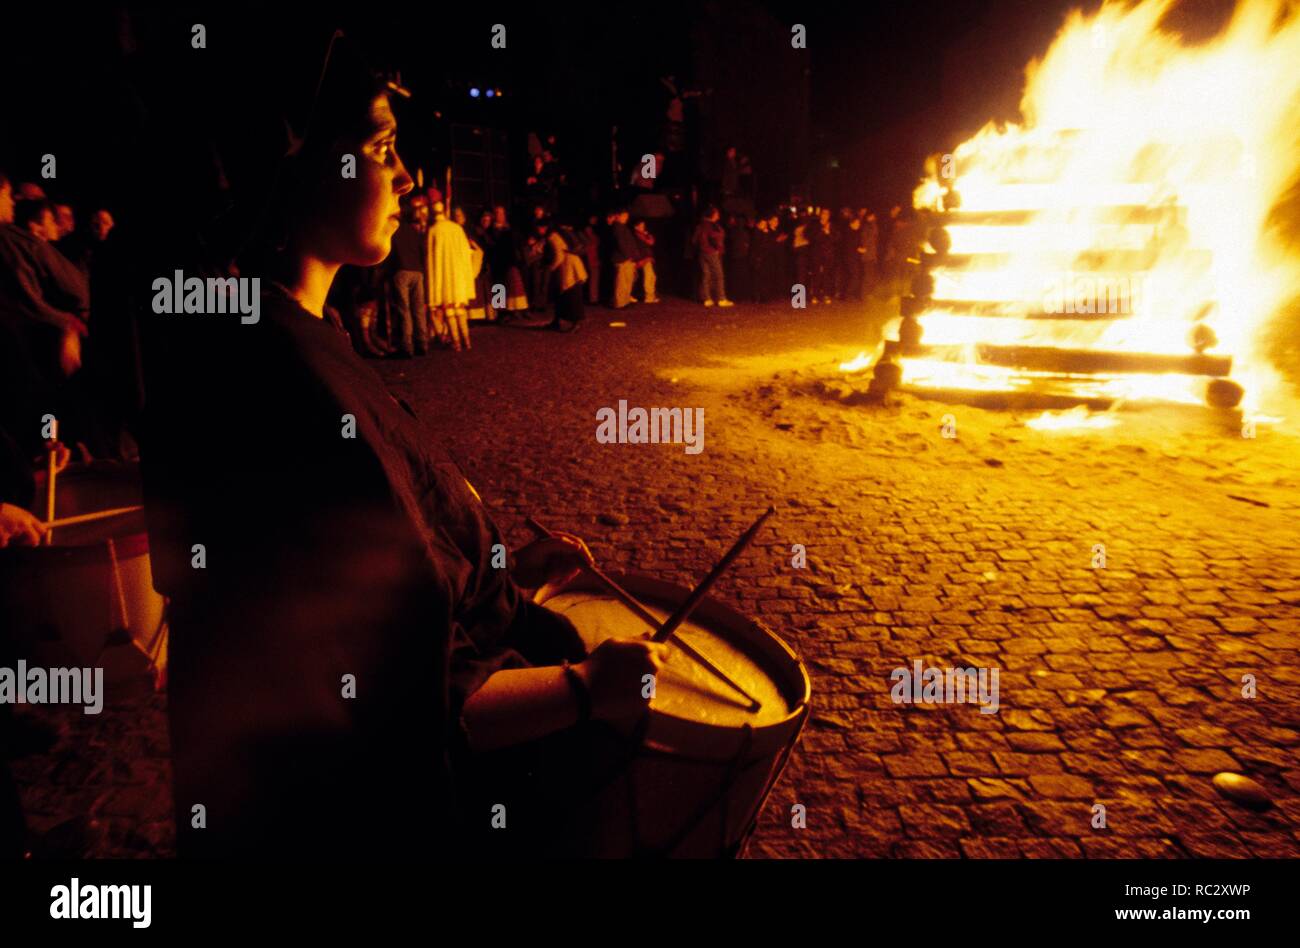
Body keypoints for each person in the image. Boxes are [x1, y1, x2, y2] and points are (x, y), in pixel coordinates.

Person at [139, 40, 666, 859]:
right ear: (302, 165)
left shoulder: (285, 332)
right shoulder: (276, 374)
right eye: (382, 150)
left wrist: (492, 574)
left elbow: (371, 572)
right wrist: (586, 689)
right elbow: (394, 706)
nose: (408, 178)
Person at [425, 200, 474, 351]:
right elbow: (467, 252)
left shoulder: (433, 230)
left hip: (443, 277)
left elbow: (430, 258)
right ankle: (467, 341)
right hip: (458, 275)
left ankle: (457, 343)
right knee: (460, 310)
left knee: (450, 312)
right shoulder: (457, 228)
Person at [387, 194, 429, 355]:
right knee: (418, 309)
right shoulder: (413, 231)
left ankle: (407, 345)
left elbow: (390, 253)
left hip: (401, 271)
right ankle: (422, 343)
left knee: (404, 309)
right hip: (417, 271)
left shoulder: (394, 231)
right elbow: (422, 251)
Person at [692, 205, 731, 307]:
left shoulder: (700, 225)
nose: (718, 215)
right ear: (713, 215)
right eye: (717, 213)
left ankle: (707, 299)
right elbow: (715, 238)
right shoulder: (712, 225)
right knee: (718, 275)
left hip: (702, 252)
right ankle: (721, 298)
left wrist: (700, 248)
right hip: (712, 252)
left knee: (706, 275)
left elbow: (694, 240)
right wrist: (718, 248)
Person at [608, 208, 639, 309]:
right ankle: (620, 303)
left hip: (627, 258)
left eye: (627, 216)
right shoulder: (617, 227)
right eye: (625, 216)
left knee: (627, 281)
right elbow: (621, 243)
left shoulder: (622, 227)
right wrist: (628, 255)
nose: (626, 218)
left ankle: (625, 301)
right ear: (618, 216)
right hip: (622, 258)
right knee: (621, 282)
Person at [631, 219, 659, 303]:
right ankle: (649, 297)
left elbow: (651, 242)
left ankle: (650, 296)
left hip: (646, 258)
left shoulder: (641, 235)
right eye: (641, 226)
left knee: (651, 276)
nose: (643, 227)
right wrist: (648, 235)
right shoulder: (637, 235)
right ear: (636, 227)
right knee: (649, 277)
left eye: (644, 226)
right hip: (643, 258)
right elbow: (650, 242)